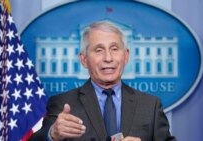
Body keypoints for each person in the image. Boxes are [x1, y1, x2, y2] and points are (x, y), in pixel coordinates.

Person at [29, 21, 176, 141]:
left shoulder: (150, 106)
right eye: (99, 50)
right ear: (84, 60)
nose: (108, 58)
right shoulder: (62, 104)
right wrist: (53, 134)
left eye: (114, 49)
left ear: (126, 56)